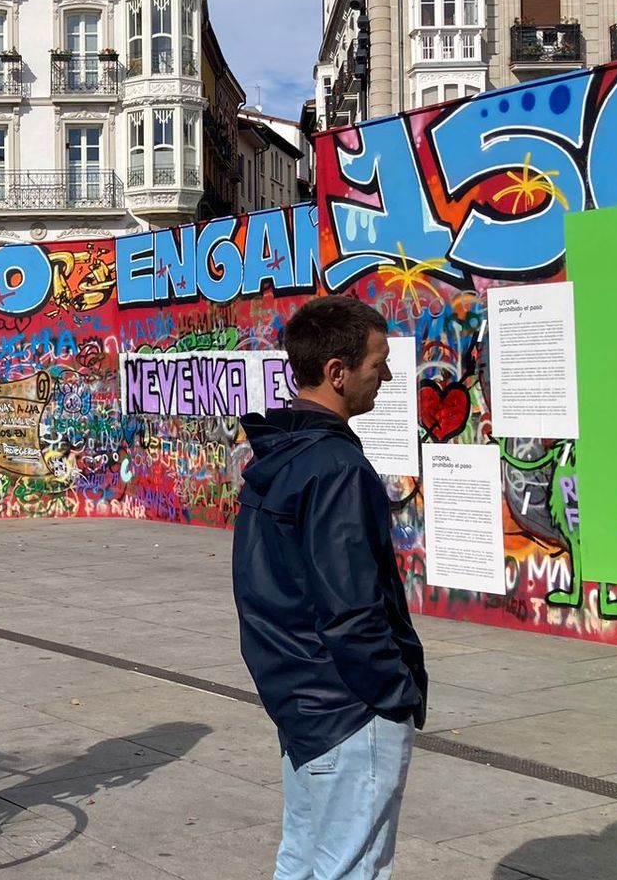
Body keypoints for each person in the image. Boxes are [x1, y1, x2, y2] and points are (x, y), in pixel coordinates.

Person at [233, 295, 427, 880]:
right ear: (337, 373)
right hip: (347, 710)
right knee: (349, 869)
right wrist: (394, 695)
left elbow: (261, 592)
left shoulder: (278, 457)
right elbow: (352, 610)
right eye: (377, 363)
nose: (387, 375)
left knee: (302, 861)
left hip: (301, 701)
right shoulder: (337, 469)